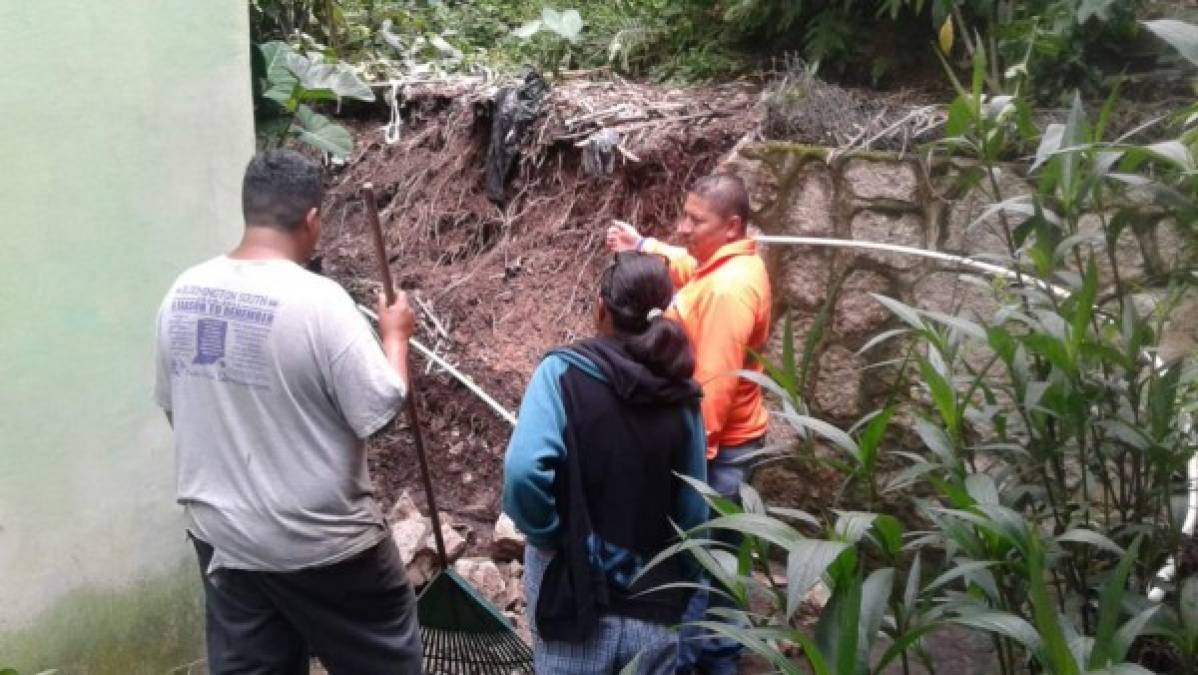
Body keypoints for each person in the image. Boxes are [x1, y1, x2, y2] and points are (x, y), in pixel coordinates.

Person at [153, 150, 422, 674]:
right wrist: (396, 336)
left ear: (248, 210)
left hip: (225, 539)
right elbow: (381, 407)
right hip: (324, 546)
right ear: (313, 220)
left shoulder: (181, 294)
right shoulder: (320, 303)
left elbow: (175, 408)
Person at [503, 252, 709, 675]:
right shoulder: (683, 397)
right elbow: (694, 512)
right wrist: (685, 585)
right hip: (654, 602)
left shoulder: (561, 374)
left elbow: (524, 472)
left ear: (602, 309)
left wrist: (549, 534)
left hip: (575, 598)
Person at [606, 173, 772, 674]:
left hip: (723, 453)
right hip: (735, 443)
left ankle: (703, 662)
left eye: (695, 220)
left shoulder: (728, 291)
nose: (682, 228)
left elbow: (715, 390)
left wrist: (684, 461)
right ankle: (719, 654)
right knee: (718, 562)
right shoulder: (726, 265)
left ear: (731, 225)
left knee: (705, 567)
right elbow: (689, 268)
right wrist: (643, 245)